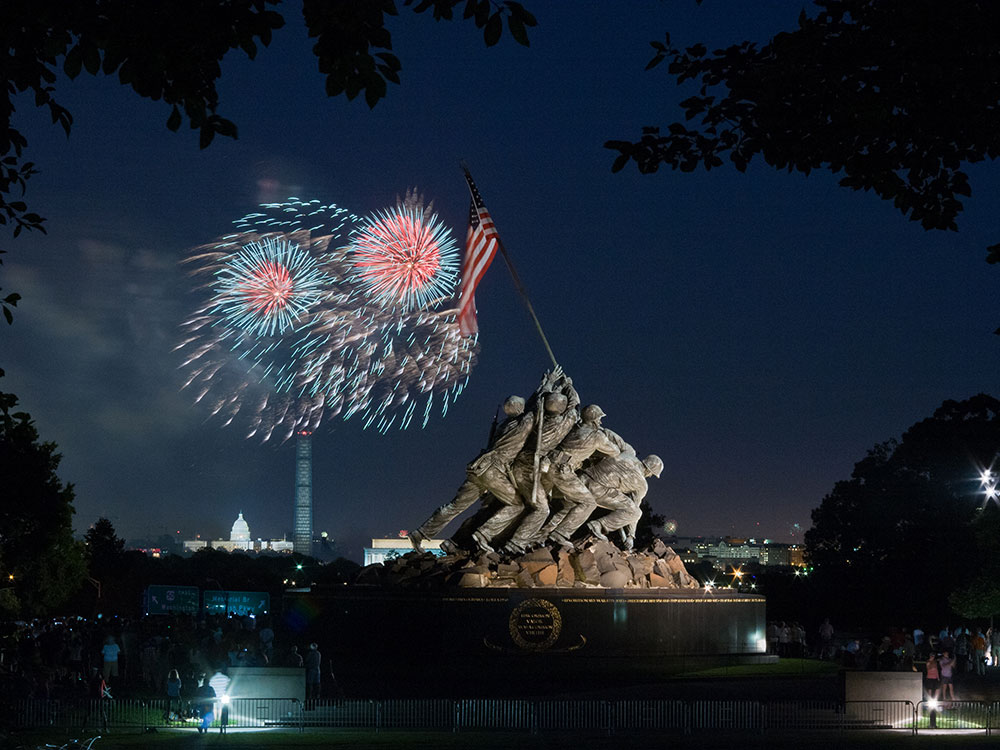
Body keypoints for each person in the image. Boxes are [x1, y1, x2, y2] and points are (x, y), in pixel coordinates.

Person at [409, 394, 534, 554]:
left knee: (455, 506)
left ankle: (420, 533)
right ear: (518, 408)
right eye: (522, 406)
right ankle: (483, 534)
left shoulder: (503, 425)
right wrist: (548, 386)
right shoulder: (522, 424)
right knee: (517, 504)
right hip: (493, 471)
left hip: (479, 467)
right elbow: (533, 410)